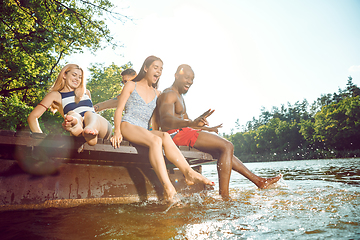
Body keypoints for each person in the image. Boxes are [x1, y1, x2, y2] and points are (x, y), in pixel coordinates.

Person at [155, 64, 282, 200]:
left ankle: (259, 181)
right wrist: (192, 124)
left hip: (183, 132)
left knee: (223, 151)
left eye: (192, 79)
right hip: (175, 135)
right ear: (176, 75)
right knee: (227, 146)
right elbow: (166, 120)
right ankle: (225, 196)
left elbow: (186, 122)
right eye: (186, 78)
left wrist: (205, 128)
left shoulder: (179, 96)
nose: (190, 82)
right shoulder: (169, 94)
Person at [110, 56, 214, 202]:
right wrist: (117, 132)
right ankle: (168, 188)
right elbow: (119, 109)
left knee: (163, 136)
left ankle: (188, 172)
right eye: (155, 67)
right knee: (155, 141)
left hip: (144, 131)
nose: (159, 71)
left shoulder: (157, 93)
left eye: (161, 69)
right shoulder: (131, 85)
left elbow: (154, 123)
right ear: (146, 68)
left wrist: (170, 134)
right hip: (128, 125)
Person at [28, 64, 112, 146]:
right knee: (72, 114)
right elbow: (32, 117)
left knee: (89, 114)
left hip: (100, 127)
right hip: (80, 133)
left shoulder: (86, 92)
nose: (77, 79)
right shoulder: (55, 95)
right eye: (74, 75)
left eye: (80, 77)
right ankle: (77, 127)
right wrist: (40, 139)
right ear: (64, 75)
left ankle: (90, 130)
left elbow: (90, 112)